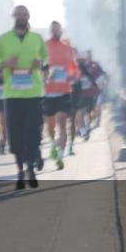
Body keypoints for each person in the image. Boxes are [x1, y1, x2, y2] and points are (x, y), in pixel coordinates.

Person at [0, 5, 48, 190]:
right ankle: (20, 169)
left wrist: (41, 63)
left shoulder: (37, 38)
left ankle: (31, 168)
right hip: (12, 94)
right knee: (15, 133)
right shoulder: (3, 39)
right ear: (13, 16)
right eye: (18, 14)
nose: (21, 16)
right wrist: (4, 63)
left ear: (29, 16)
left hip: (33, 93)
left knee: (33, 130)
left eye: (24, 13)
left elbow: (47, 59)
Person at [42, 22, 77, 171]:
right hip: (48, 92)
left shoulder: (68, 49)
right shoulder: (44, 46)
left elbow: (74, 69)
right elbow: (39, 65)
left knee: (62, 123)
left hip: (64, 91)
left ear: (61, 31)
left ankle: (60, 156)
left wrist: (71, 76)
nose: (56, 32)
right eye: (53, 30)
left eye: (58, 30)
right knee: (50, 126)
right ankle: (53, 144)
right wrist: (44, 75)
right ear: (51, 31)